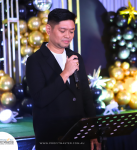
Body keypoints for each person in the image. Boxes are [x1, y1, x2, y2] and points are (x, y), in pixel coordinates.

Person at [26, 8, 101, 150]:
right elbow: (40, 99)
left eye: (71, 31)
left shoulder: (76, 57)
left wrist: (93, 132)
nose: (68, 35)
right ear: (49, 29)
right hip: (52, 139)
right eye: (62, 30)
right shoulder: (35, 61)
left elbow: (86, 97)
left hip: (79, 136)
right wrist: (65, 73)